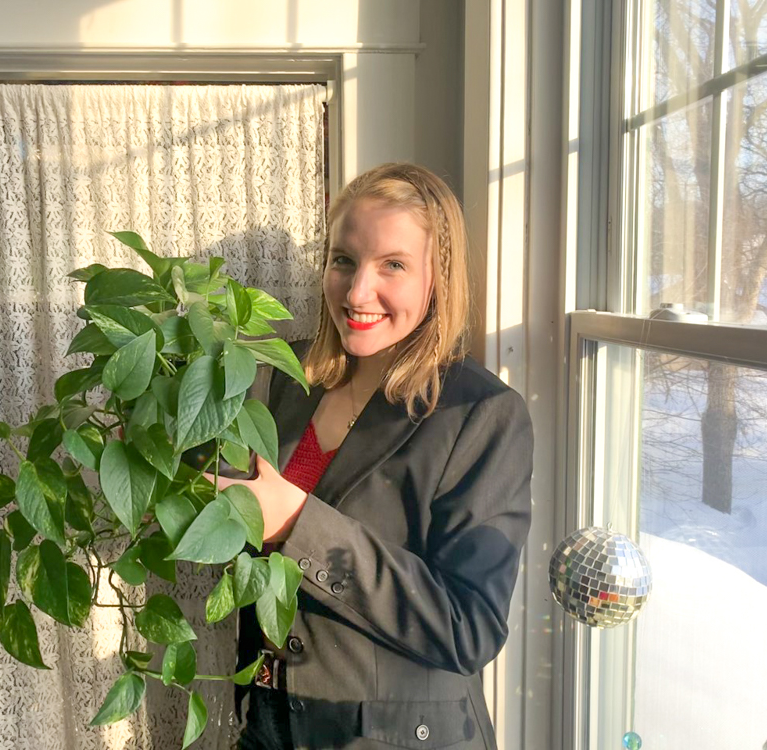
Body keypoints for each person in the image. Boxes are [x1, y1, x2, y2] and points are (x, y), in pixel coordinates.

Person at [216, 163, 533, 750]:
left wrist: (297, 523)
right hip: (269, 727)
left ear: (437, 278)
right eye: (343, 260)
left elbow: (470, 627)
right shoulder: (282, 378)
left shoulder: (480, 414)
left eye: (393, 264)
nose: (358, 291)